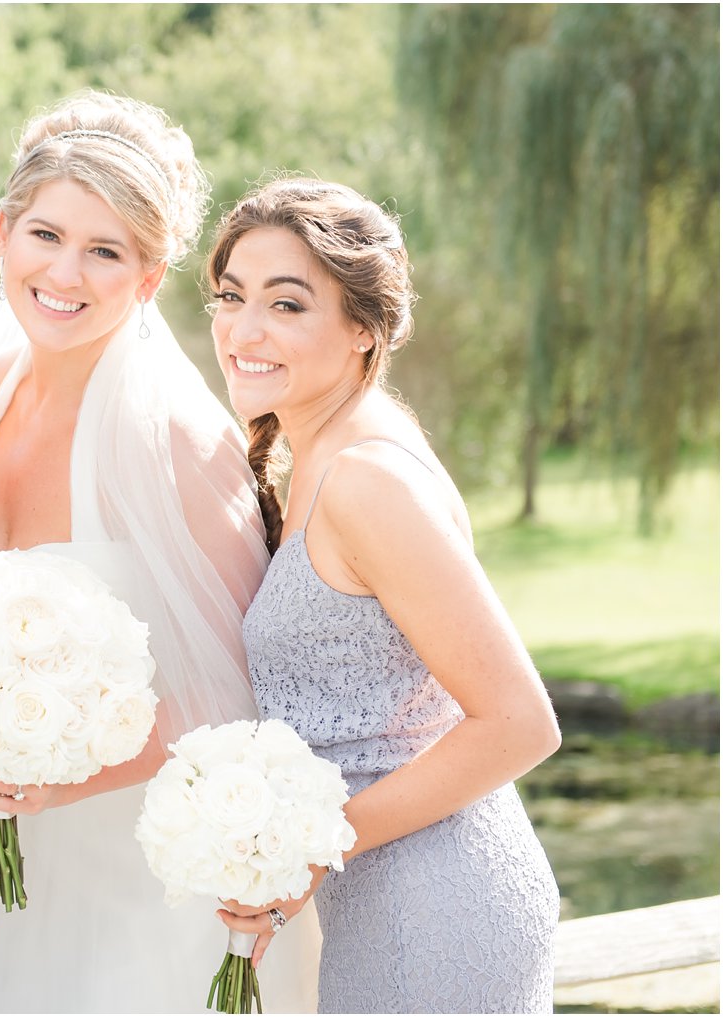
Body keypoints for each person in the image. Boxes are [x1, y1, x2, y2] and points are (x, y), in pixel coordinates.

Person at [0, 91, 321, 1013]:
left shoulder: (172, 438)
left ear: (149, 277)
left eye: (105, 250)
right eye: (45, 235)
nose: (64, 272)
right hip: (11, 878)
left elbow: (246, 695)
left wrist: (55, 775)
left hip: (149, 881)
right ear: (1, 235)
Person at [207, 177, 561, 1012]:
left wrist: (311, 850)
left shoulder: (365, 478)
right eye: (231, 296)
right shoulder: (327, 451)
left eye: (286, 305)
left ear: (364, 328)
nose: (243, 330)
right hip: (390, 891)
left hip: (433, 902)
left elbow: (520, 722)